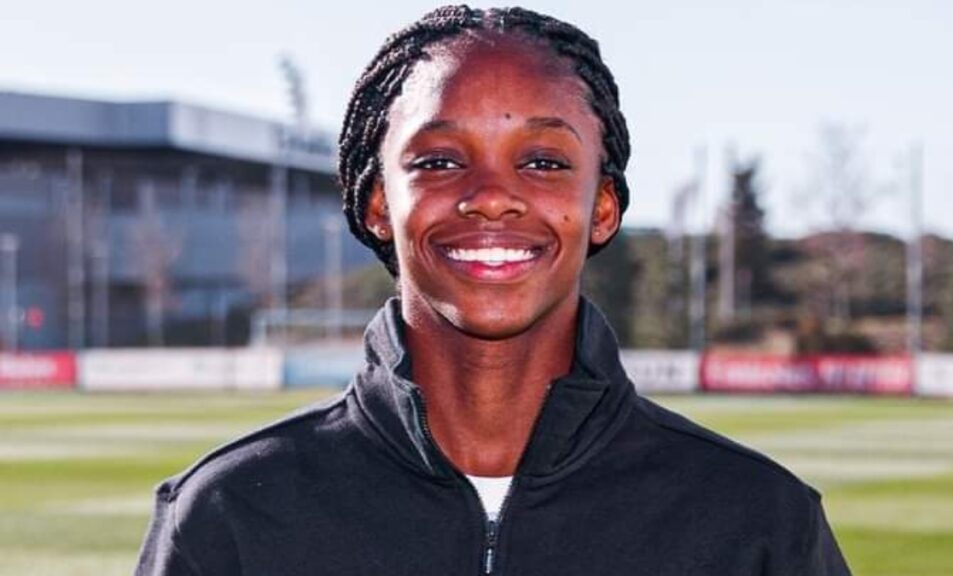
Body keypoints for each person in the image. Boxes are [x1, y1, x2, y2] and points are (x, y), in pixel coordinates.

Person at [135, 6, 851, 575]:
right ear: (378, 202)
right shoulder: (230, 511)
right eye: (440, 160)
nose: (490, 197)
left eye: (542, 160)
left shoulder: (757, 522)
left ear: (603, 206)